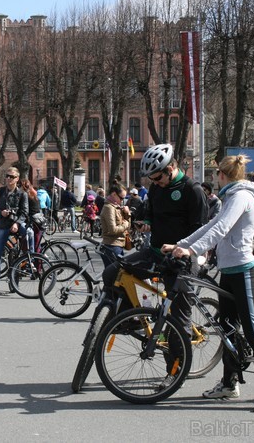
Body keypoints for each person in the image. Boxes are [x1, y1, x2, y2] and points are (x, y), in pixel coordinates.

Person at [162, 154, 254, 413]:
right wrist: (181, 245)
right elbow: (211, 225)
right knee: (228, 329)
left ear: (222, 175)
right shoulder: (232, 196)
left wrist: (192, 251)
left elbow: (221, 230)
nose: (213, 179)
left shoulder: (241, 196)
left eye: (215, 174)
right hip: (230, 271)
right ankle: (230, 384)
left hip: (244, 271)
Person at [102, 143, 208, 386]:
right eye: (151, 179)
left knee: (175, 319)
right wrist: (146, 222)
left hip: (182, 258)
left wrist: (183, 249)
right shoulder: (157, 188)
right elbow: (150, 210)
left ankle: (175, 373)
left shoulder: (193, 190)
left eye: (158, 177)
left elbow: (202, 230)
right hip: (154, 251)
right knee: (112, 272)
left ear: (171, 168)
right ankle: (128, 318)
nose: (155, 182)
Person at [0, 167, 28, 294]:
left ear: (17, 179)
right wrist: (1, 212)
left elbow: (25, 212)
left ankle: (17, 277)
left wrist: (17, 223)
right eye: (7, 176)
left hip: (15, 225)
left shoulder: (22, 194)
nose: (8, 178)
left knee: (20, 248)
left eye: (11, 176)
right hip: (2, 225)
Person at [100, 183, 130, 265]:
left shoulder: (116, 207)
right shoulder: (109, 208)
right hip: (112, 246)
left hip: (117, 245)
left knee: (117, 275)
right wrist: (126, 224)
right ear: (114, 194)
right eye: (121, 198)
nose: (122, 201)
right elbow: (113, 230)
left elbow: (127, 227)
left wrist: (127, 214)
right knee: (115, 275)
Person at [22, 179, 44, 253]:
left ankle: (35, 260)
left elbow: (25, 210)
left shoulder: (26, 195)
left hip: (34, 221)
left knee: (33, 242)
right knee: (37, 242)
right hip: (39, 220)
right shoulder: (34, 194)